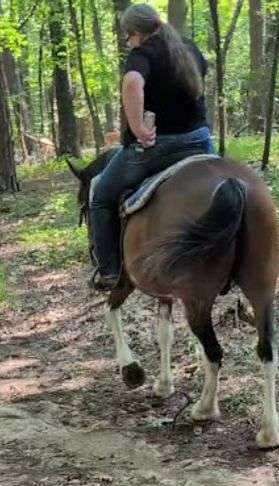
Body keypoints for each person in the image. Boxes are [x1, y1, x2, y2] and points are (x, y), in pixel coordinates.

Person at [89, 4, 214, 290]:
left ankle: (108, 270)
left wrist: (138, 129)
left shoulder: (142, 53)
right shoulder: (189, 47)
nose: (128, 42)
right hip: (199, 141)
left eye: (128, 37)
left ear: (136, 33)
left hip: (160, 146)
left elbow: (133, 81)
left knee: (100, 193)